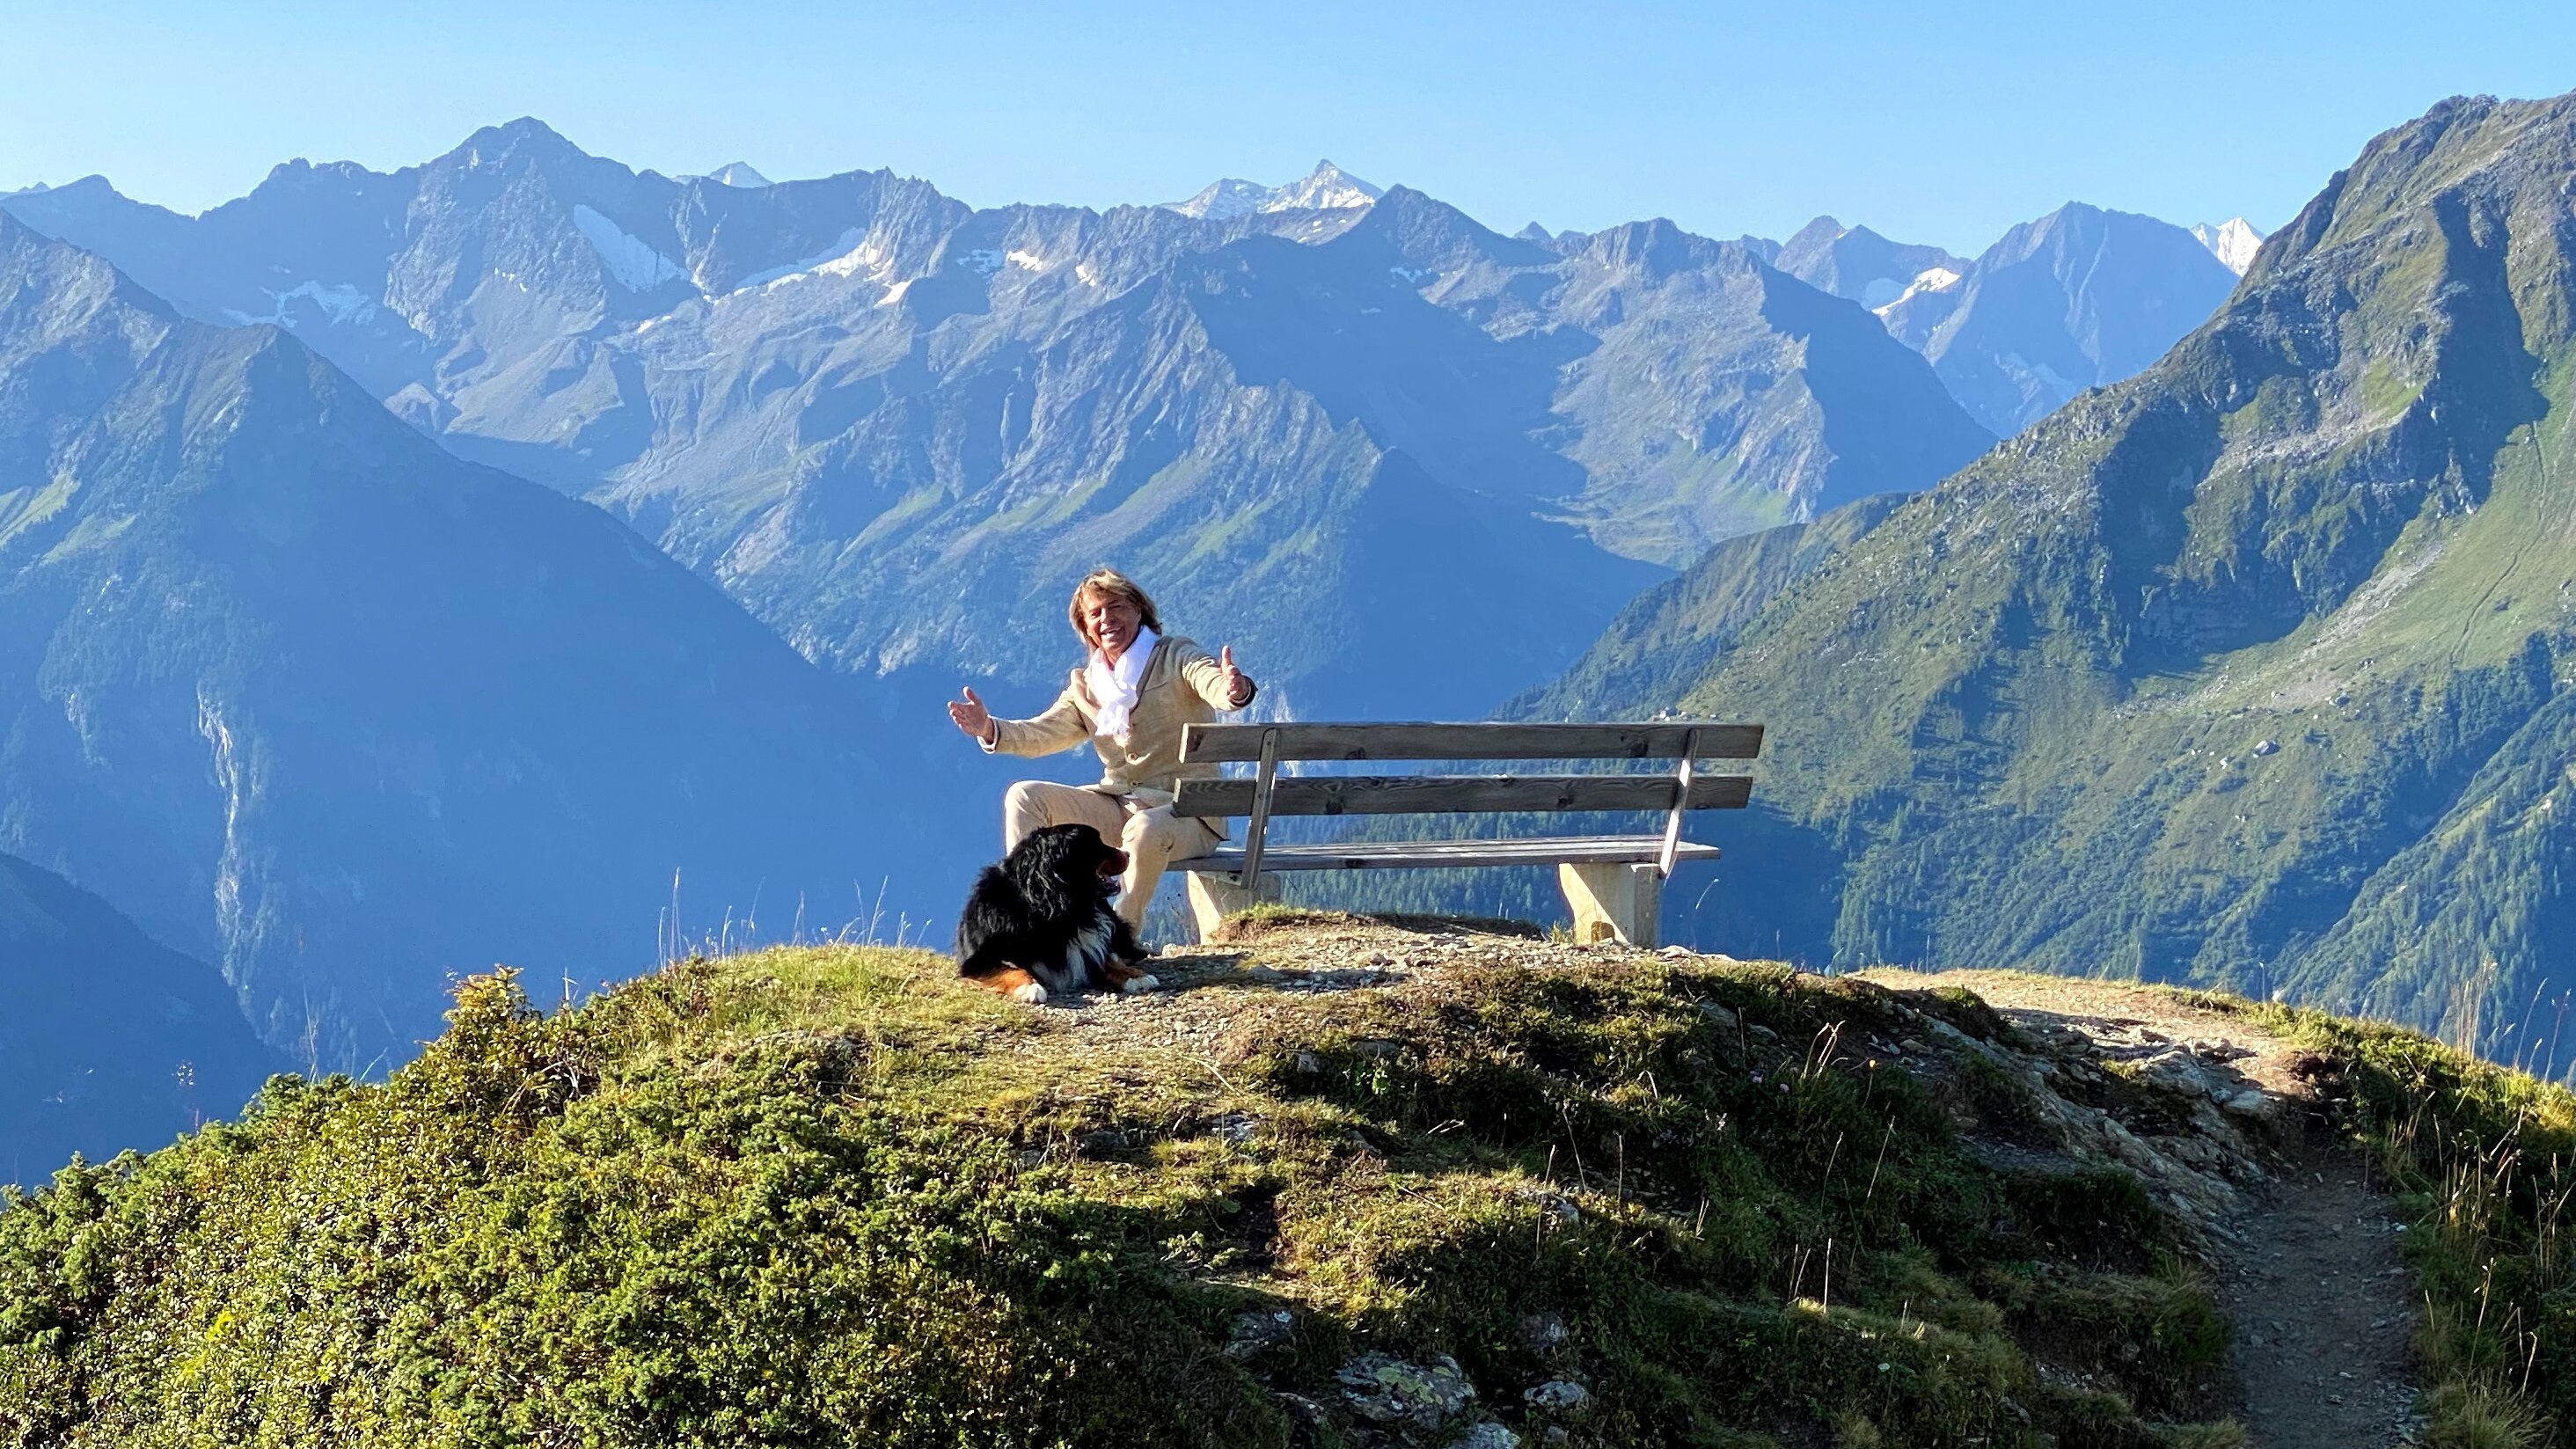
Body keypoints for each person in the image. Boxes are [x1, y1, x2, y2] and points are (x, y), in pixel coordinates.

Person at [948, 568, 1257, 933]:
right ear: (1085, 627)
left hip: (1187, 813)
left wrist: (1233, 690)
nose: (1106, 619)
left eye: (1116, 607)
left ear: (1139, 611)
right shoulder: (1087, 684)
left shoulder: (1175, 655)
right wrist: (988, 728)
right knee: (1024, 796)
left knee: (1143, 829)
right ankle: (1028, 922)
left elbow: (1210, 681)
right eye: (1095, 613)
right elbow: (1043, 733)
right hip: (1116, 805)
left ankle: (1122, 935)